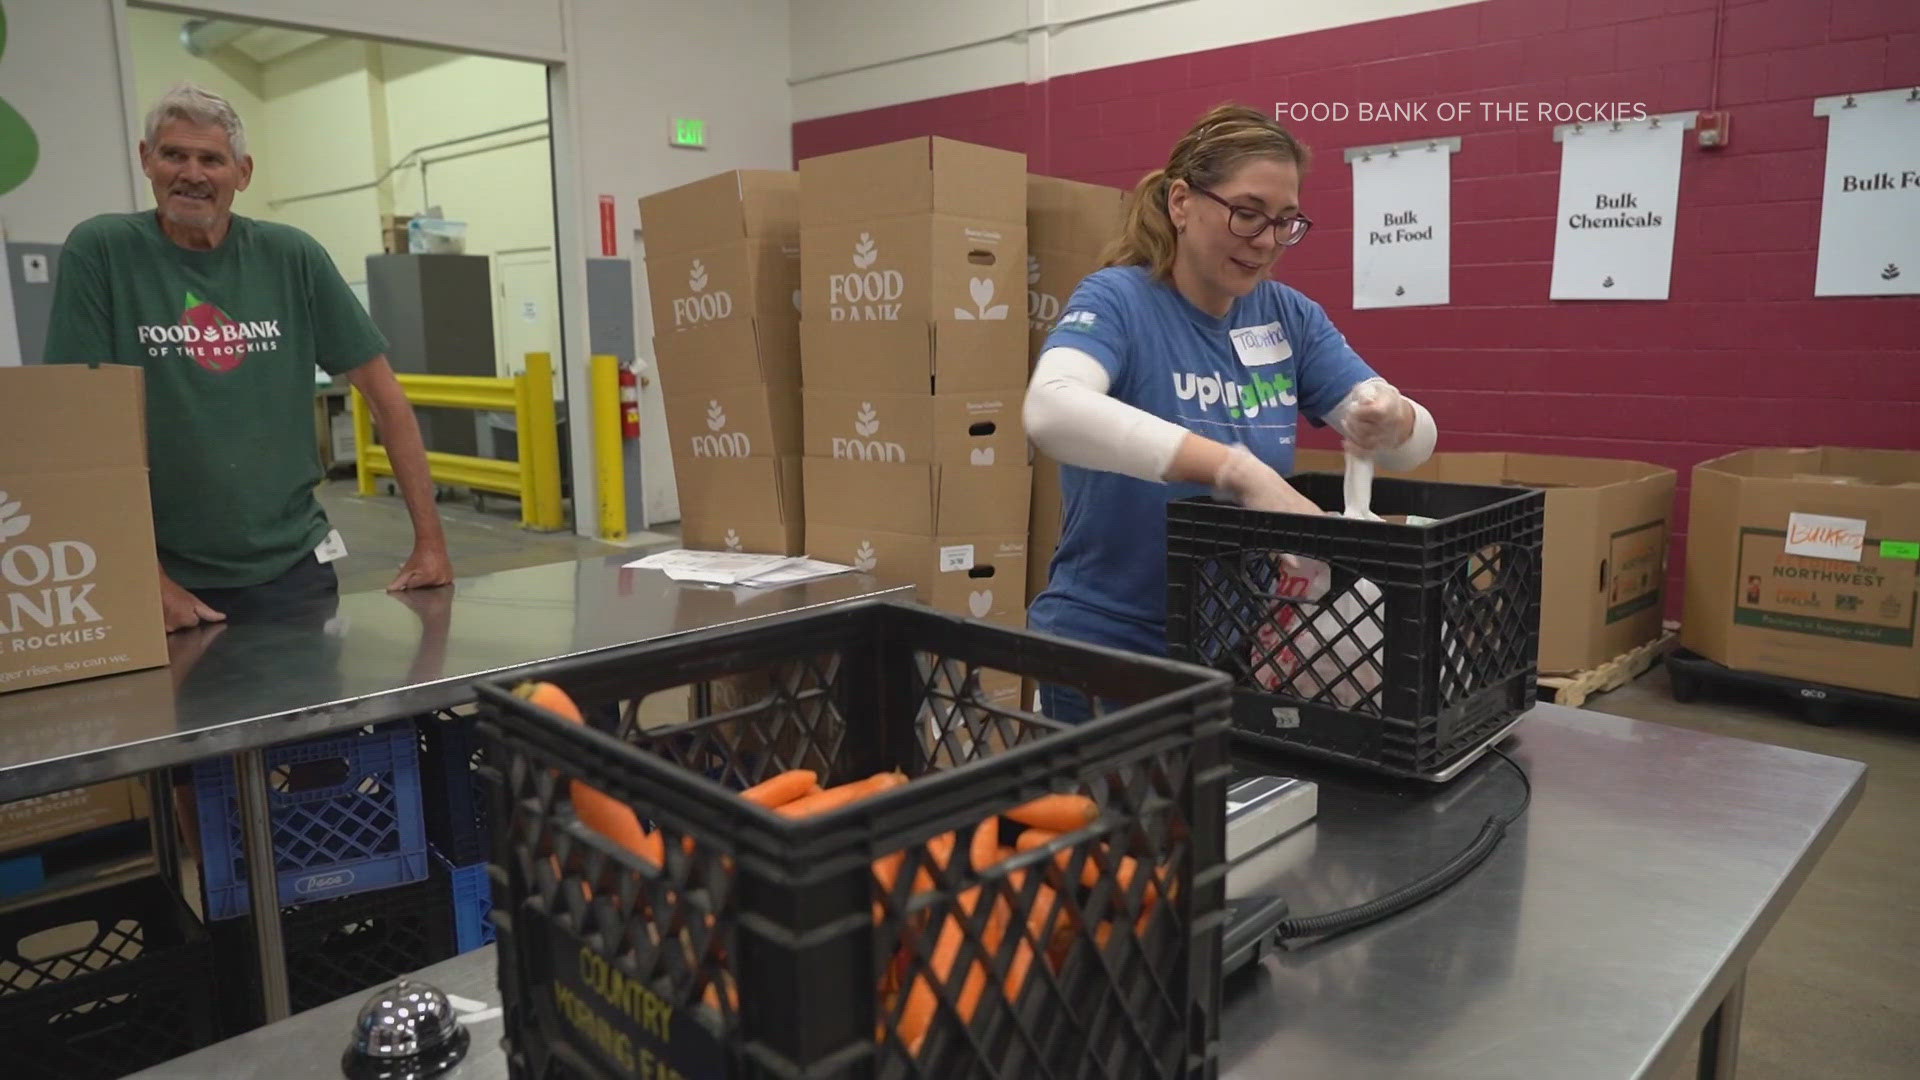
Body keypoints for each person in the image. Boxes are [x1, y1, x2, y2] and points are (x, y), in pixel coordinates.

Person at [1023, 103, 1437, 722]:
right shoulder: (1120, 300)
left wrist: (1393, 415)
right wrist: (1238, 472)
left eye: (1286, 222)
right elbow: (1052, 411)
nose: (1267, 240)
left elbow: (1414, 444)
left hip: (1241, 652)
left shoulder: (1288, 318)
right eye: (1247, 214)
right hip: (1110, 648)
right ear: (1183, 203)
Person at [44, 84, 451, 632]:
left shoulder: (291, 256)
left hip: (293, 567)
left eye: (211, 159)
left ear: (242, 171)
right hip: (163, 574)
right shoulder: (102, 252)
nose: (192, 173)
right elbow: (76, 429)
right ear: (146, 160)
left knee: (316, 717)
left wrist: (430, 542)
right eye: (173, 155)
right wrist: (147, 577)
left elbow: (385, 396)